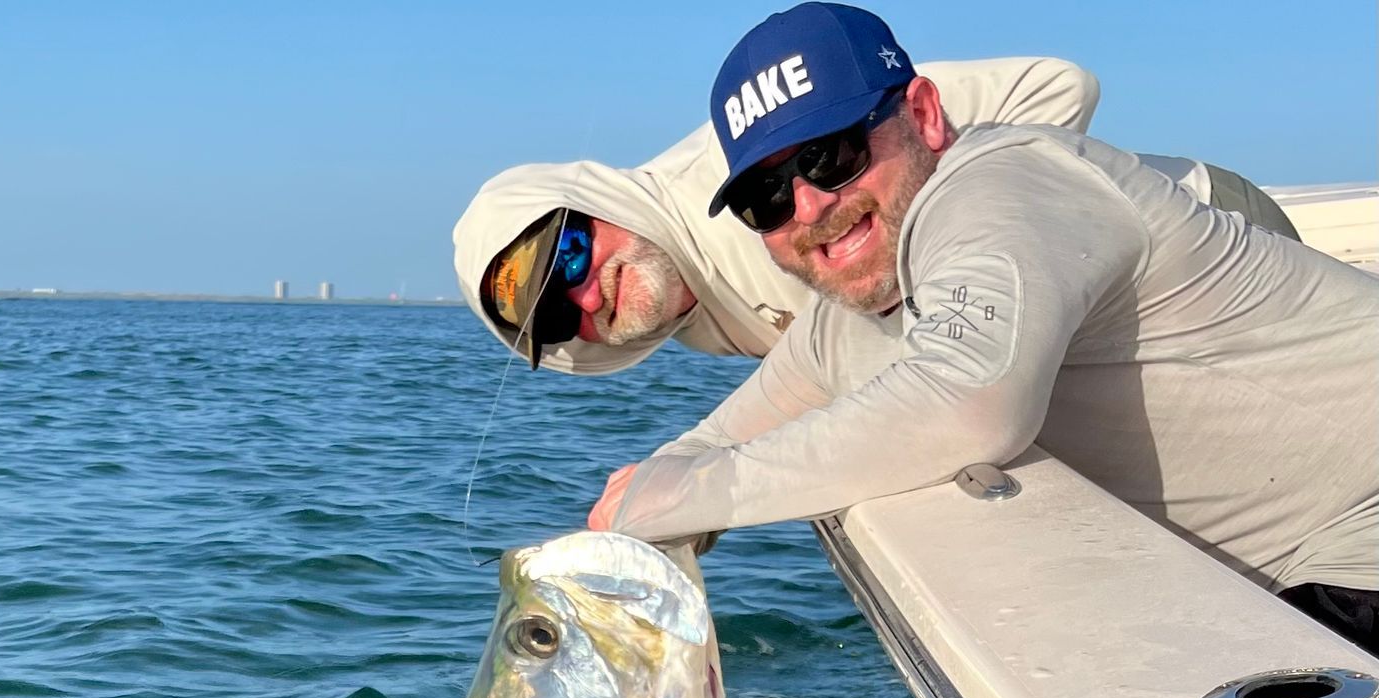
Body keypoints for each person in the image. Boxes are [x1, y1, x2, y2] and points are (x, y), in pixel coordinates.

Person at [586, 4, 1378, 650]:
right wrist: (649, 497)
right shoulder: (851, 312)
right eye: (766, 198)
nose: (810, 207)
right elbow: (724, 438)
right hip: (1293, 564)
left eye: (831, 156)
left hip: (1356, 529)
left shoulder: (1003, 185)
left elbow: (968, 402)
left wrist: (693, 495)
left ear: (924, 115)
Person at [453, 62, 1295, 377]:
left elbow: (1058, 88)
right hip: (1139, 339)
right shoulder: (688, 312)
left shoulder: (747, 168)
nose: (587, 297)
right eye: (556, 319)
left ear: (594, 200)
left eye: (570, 253)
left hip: (1216, 240)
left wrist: (942, 260)